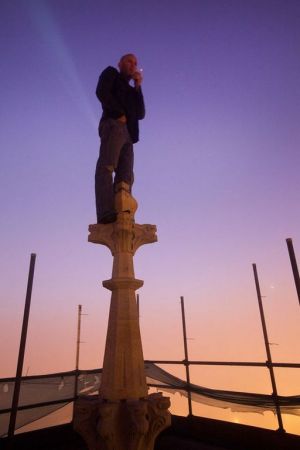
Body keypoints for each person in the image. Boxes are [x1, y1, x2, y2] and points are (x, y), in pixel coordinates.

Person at [95, 54, 145, 224]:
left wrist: (138, 86)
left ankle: (124, 213)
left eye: (136, 63)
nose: (133, 65)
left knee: (126, 176)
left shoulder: (132, 91)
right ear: (120, 63)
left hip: (129, 136)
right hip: (114, 125)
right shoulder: (111, 73)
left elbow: (140, 113)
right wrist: (119, 114)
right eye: (129, 61)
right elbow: (101, 92)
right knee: (107, 166)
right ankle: (106, 212)